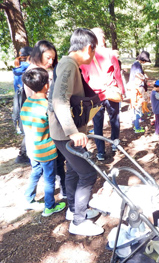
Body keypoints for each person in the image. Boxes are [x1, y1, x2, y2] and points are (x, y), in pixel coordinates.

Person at [48, 28, 103, 236]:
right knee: (88, 172)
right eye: (94, 49)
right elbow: (59, 99)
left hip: (61, 131)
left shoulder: (68, 64)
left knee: (73, 170)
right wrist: (72, 132)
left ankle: (74, 211)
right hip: (65, 133)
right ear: (89, 47)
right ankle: (79, 222)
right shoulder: (69, 65)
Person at [20, 68, 66, 216]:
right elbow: (56, 126)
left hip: (32, 149)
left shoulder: (27, 102)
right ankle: (49, 206)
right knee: (49, 179)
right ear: (47, 85)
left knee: (36, 172)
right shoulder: (46, 106)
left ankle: (28, 199)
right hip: (46, 150)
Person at [24, 40, 67, 199]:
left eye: (52, 59)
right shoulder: (34, 74)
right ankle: (58, 194)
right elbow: (40, 103)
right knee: (55, 162)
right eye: (48, 58)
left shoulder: (43, 71)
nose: (50, 62)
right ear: (38, 54)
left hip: (44, 128)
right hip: (46, 129)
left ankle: (61, 187)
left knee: (55, 163)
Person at [80, 28, 125, 161]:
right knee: (114, 120)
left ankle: (100, 152)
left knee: (97, 124)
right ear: (102, 38)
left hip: (95, 95)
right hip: (111, 92)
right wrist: (121, 90)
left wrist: (87, 96)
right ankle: (114, 143)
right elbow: (117, 73)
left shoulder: (86, 56)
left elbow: (85, 78)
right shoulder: (110, 54)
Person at [12, 47, 33, 164]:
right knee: (30, 127)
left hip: (19, 99)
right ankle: (23, 154)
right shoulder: (28, 68)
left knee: (27, 126)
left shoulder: (18, 66)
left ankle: (23, 154)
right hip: (26, 98)